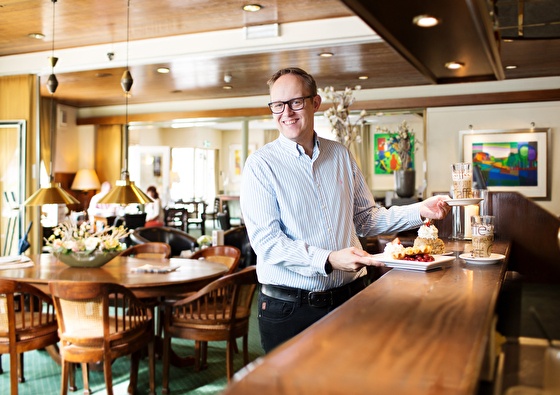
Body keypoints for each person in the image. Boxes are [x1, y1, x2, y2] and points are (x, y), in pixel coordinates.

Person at [240, 67, 452, 353]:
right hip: (291, 310)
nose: (286, 112)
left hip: (352, 298)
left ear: (315, 103)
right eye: (278, 104)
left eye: (295, 102)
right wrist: (329, 259)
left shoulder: (340, 154)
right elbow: (267, 244)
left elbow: (366, 219)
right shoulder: (260, 165)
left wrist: (420, 210)